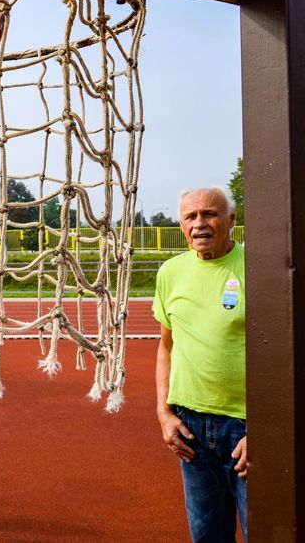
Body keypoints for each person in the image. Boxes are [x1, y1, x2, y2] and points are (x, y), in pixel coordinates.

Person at [154, 187, 247, 542]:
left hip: (247, 428)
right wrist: (164, 412)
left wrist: (269, 427)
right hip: (190, 428)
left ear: (231, 220)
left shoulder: (258, 268)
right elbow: (166, 347)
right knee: (207, 536)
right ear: (181, 225)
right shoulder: (171, 272)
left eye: (209, 214)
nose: (199, 224)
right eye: (190, 217)